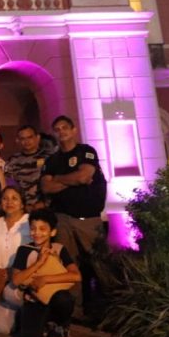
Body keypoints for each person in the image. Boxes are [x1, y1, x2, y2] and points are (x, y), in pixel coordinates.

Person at [40, 116, 107, 317]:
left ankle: (111, 307)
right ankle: (74, 311)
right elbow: (46, 187)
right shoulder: (52, 160)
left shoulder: (86, 151)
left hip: (89, 219)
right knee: (69, 267)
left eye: (65, 128)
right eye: (57, 129)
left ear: (74, 129)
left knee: (100, 265)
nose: (61, 132)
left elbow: (84, 176)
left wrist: (59, 180)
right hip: (63, 219)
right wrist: (73, 179)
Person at [11, 209, 81, 337]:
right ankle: (40, 322)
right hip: (34, 299)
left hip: (55, 297)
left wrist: (45, 279)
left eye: (42, 229)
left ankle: (60, 323)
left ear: (52, 232)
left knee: (64, 299)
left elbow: (76, 276)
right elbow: (16, 280)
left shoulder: (59, 249)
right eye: (33, 229)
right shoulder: (24, 250)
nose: (37, 233)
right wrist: (39, 263)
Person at [0, 186, 32, 334]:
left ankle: (36, 313)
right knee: (2, 329)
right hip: (0, 278)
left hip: (20, 278)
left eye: (14, 198)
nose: (9, 202)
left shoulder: (28, 223)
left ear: (22, 203)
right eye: (5, 198)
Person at [5, 125, 56, 211]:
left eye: (30, 137)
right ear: (18, 141)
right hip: (21, 208)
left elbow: (55, 182)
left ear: (37, 138)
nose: (26, 141)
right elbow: (9, 185)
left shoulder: (49, 157)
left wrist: (44, 203)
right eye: (23, 138)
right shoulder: (13, 160)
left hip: (47, 207)